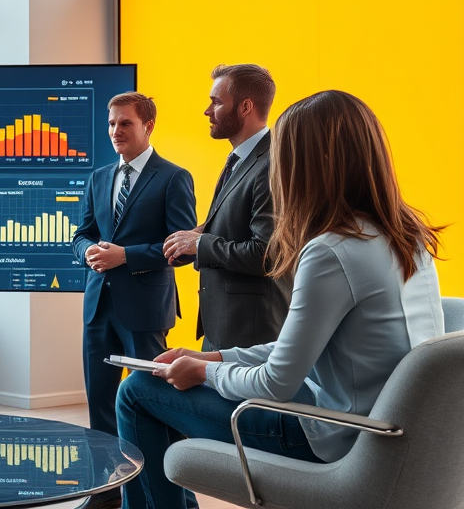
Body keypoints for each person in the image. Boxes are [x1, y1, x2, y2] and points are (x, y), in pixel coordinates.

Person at [117, 90, 444, 509]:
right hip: (382, 426)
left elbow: (275, 382)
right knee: (156, 383)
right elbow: (300, 347)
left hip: (335, 435)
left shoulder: (331, 251)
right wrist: (216, 359)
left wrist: (202, 375)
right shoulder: (407, 236)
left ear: (304, 166)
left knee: (139, 389)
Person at [72, 93, 196, 441]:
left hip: (145, 308)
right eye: (111, 123)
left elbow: (182, 249)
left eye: (125, 122)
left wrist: (125, 256)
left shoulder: (173, 177)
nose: (115, 130)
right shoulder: (99, 177)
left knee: (154, 402)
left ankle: (166, 490)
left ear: (148, 126)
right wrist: (88, 252)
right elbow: (82, 235)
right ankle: (109, 491)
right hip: (97, 307)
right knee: (100, 405)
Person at [163, 64, 290, 350]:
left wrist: (201, 244)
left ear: (246, 107)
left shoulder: (271, 165)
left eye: (216, 102)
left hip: (249, 336)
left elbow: (267, 254)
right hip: (223, 328)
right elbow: (237, 226)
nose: (207, 111)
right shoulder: (239, 159)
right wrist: (195, 238)